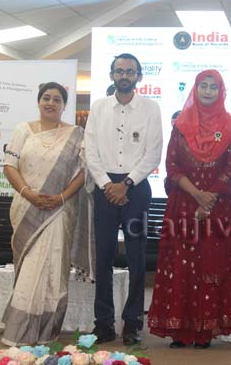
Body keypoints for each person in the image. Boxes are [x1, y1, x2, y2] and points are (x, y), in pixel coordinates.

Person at [148, 69, 231, 348]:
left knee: (211, 264)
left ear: (221, 92)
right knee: (181, 265)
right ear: (195, 89)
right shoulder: (180, 124)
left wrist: (209, 198)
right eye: (203, 85)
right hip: (183, 205)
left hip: (218, 207)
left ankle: (205, 330)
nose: (207, 91)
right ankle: (180, 329)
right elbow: (172, 166)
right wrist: (197, 195)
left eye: (213, 87)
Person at [85, 53, 163, 345]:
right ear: (112, 75)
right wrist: (107, 184)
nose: (125, 76)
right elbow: (90, 151)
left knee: (136, 257)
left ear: (139, 76)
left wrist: (126, 184)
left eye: (130, 71)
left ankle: (133, 322)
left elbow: (153, 153)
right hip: (105, 188)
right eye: (120, 71)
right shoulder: (99, 107)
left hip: (136, 189)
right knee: (103, 257)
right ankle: (104, 322)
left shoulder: (151, 108)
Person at [1, 82, 87, 346]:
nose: (51, 103)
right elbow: (9, 166)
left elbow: (84, 172)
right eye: (46, 98)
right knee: (29, 269)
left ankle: (47, 331)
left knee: (52, 270)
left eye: (57, 99)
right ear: (38, 102)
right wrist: (28, 193)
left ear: (64, 105)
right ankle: (20, 331)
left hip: (59, 211)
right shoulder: (23, 130)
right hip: (27, 207)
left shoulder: (76, 134)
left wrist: (61, 197)